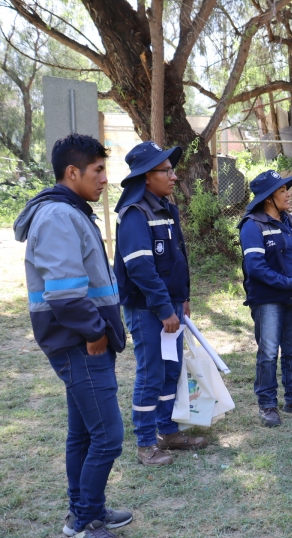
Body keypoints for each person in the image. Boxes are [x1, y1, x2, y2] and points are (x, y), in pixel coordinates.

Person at [13, 134, 130, 538]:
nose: (105, 179)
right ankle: (84, 525)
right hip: (81, 344)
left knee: (82, 432)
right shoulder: (60, 217)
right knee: (108, 437)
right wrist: (95, 333)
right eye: (98, 170)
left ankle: (85, 509)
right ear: (72, 173)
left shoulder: (70, 212)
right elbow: (64, 294)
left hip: (82, 342)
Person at [114, 141, 207, 467]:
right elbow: (140, 268)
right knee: (151, 372)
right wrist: (165, 309)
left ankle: (167, 431)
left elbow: (177, 259)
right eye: (166, 170)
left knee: (171, 369)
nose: (173, 175)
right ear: (146, 176)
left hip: (170, 308)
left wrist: (183, 299)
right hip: (147, 310)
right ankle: (144, 443)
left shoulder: (167, 208)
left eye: (171, 169)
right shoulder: (135, 214)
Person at [239, 171, 292, 427]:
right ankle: (267, 405)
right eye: (282, 191)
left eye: (287, 189)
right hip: (268, 300)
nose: (288, 194)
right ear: (268, 199)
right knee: (267, 353)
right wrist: (289, 283)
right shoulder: (252, 225)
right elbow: (255, 267)